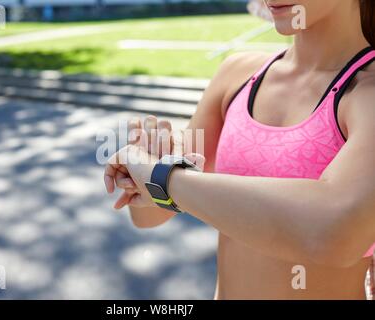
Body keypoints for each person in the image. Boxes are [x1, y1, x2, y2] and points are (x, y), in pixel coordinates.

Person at [104, 0, 375, 299]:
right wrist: (149, 164)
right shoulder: (237, 75)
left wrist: (164, 178)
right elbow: (148, 215)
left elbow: (333, 233)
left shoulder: (367, 93)